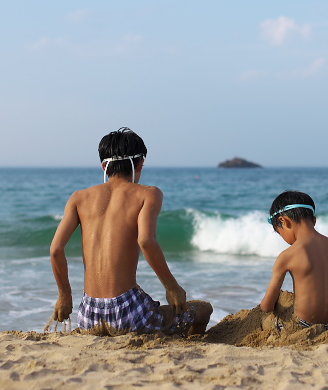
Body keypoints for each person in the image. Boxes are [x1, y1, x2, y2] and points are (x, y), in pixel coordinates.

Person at [49, 127, 212, 335]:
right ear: (140, 163)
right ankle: (191, 346)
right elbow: (146, 241)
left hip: (89, 314)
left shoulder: (78, 198)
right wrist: (172, 287)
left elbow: (55, 249)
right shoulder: (148, 194)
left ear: (104, 167)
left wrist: (65, 296)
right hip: (128, 314)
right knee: (203, 309)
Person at [260, 190, 328, 330]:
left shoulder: (288, 255)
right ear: (314, 220)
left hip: (302, 326)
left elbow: (267, 306)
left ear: (284, 221)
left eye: (280, 233)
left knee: (265, 321)